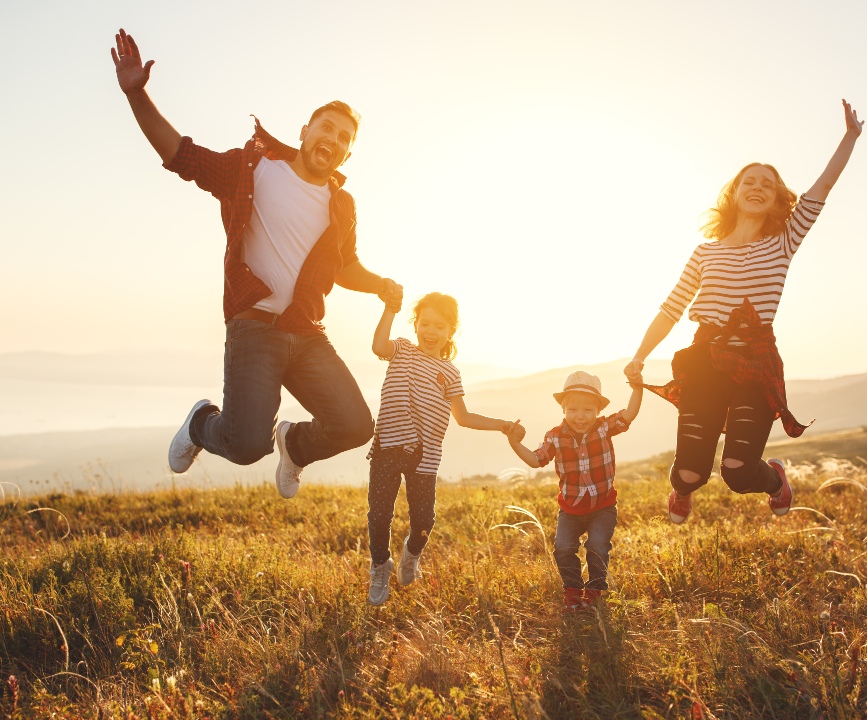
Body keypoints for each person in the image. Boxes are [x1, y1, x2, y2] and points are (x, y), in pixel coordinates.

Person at [110, 29, 402, 497]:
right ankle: (202, 423)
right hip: (255, 327)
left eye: (344, 137)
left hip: (306, 332)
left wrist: (380, 284)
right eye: (325, 127)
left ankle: (296, 445)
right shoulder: (253, 169)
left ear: (348, 152)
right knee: (246, 446)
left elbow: (345, 267)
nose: (333, 137)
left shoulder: (341, 205)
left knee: (354, 424)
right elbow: (179, 154)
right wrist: (137, 94)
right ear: (305, 132)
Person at [624, 100, 864, 524]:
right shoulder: (706, 252)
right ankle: (681, 489)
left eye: (767, 185)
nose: (757, 187)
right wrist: (639, 356)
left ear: (775, 199)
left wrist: (849, 137)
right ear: (733, 194)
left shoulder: (783, 241)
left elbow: (822, 188)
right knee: (690, 471)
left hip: (755, 360)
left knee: (736, 472)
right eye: (748, 181)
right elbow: (671, 307)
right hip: (704, 360)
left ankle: (774, 479)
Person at [366, 293, 520, 605]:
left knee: (424, 520)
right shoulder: (402, 350)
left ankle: (411, 556)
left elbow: (463, 417)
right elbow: (378, 347)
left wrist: (502, 424)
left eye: (439, 325)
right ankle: (380, 567)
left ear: (451, 330)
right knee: (379, 515)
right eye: (425, 323)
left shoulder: (450, 373)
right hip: (388, 446)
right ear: (416, 325)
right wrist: (389, 309)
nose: (431, 331)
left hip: (425, 455)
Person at [505, 370, 643, 612]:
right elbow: (537, 461)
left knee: (598, 546)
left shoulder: (603, 428)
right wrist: (515, 443)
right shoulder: (555, 437)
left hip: (603, 507)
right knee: (563, 547)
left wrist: (637, 388)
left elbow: (629, 414)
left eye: (588, 410)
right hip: (570, 509)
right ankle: (572, 590)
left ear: (598, 411)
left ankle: (594, 591)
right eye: (573, 410)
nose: (580, 416)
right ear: (563, 410)